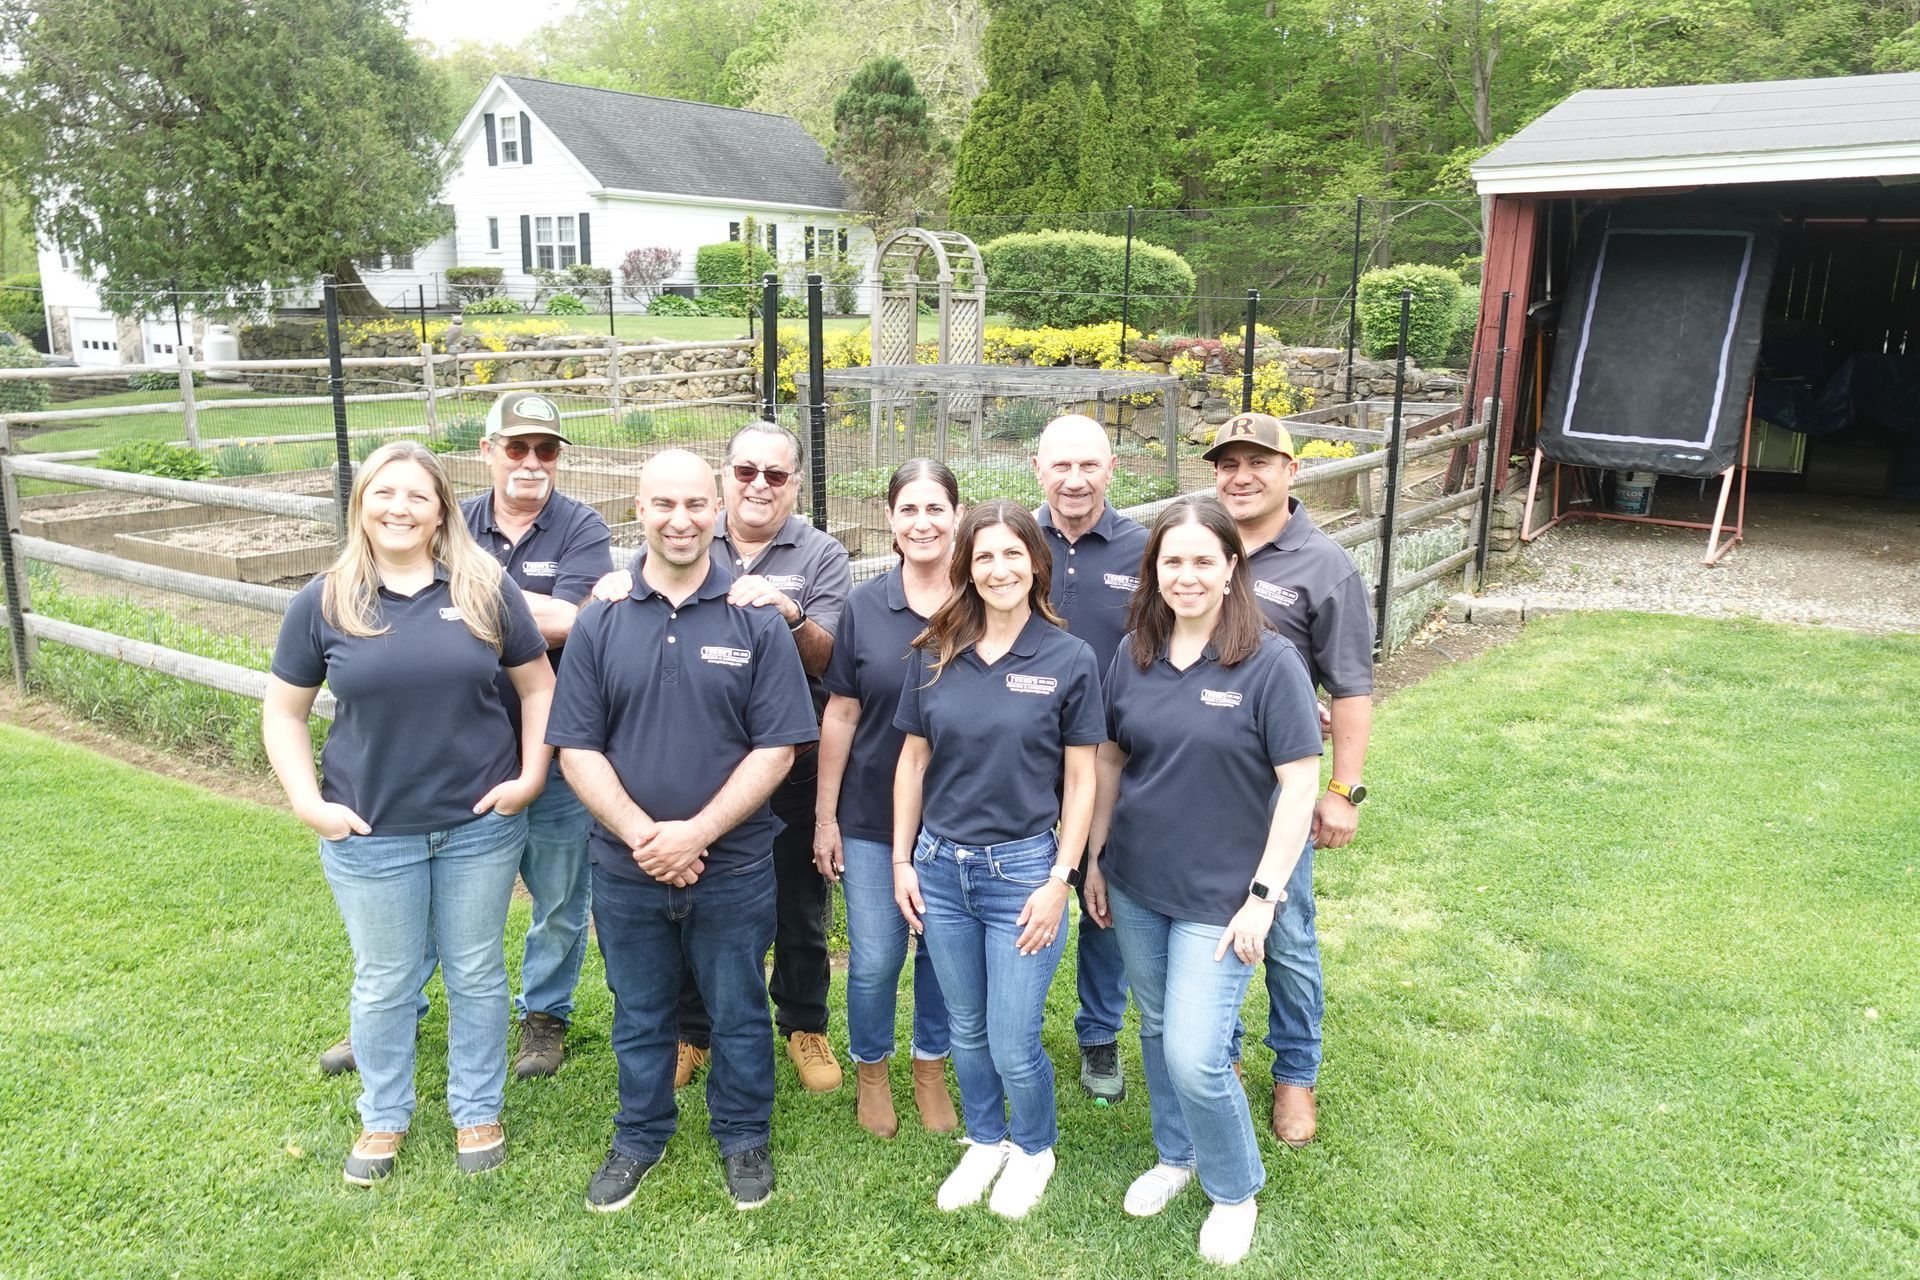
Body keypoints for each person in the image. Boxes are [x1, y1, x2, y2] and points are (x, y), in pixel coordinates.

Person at [262, 441, 554, 1186]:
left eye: (417, 496)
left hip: (479, 828)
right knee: (386, 979)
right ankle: (384, 1116)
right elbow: (284, 714)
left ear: (440, 513)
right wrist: (308, 803)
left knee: (477, 972)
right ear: (360, 506)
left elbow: (538, 688)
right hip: (371, 831)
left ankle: (476, 1109)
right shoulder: (324, 601)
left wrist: (528, 778)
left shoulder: (485, 590)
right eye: (383, 493)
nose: (399, 507)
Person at [313, 392, 611, 1081]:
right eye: (516, 447)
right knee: (418, 890)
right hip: (457, 756)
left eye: (545, 450)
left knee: (561, 894)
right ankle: (393, 1011)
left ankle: (544, 1015)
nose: (531, 462)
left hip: (553, 746)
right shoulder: (455, 517)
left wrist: (460, 589)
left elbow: (571, 621)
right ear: (488, 452)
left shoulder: (581, 526)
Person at [551, 449, 818, 1213]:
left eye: (697, 504)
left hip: (731, 866)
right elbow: (577, 746)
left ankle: (742, 1134)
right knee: (638, 1011)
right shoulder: (601, 617)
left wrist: (696, 833)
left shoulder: (755, 618)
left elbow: (778, 747)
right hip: (626, 865)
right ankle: (639, 1133)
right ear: (638, 509)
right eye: (664, 504)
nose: (681, 519)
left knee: (736, 1009)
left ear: (718, 511)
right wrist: (648, 837)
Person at [1088, 496, 1323, 1267]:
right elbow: (1113, 761)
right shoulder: (1135, 653)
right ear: (1153, 571)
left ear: (1230, 569)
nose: (1185, 576)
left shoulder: (1271, 663)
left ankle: (1233, 1188)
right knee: (1156, 1029)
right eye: (1171, 561)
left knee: (1195, 1051)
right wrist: (1094, 857)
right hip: (1137, 881)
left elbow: (1298, 784)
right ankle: (1176, 1154)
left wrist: (1263, 896)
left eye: (1201, 561)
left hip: (1223, 899)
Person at [594, 422, 852, 1095]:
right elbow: (646, 600)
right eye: (745, 471)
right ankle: (691, 1030)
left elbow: (832, 661)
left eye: (775, 474)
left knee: (799, 905)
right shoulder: (686, 535)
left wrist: (787, 614)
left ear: (795, 483)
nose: (759, 485)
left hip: (789, 762)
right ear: (722, 482)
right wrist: (610, 591)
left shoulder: (821, 555)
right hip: (700, 769)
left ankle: (803, 1020)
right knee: (689, 895)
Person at [892, 500, 1105, 1220]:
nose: (998, 568)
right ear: (967, 567)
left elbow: (1082, 778)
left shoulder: (1069, 659)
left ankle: (1033, 1147)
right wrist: (901, 861)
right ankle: (986, 1139)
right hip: (942, 870)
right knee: (965, 1026)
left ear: (1037, 565)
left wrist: (1059, 880)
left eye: (1013, 554)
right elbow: (912, 761)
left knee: (1014, 1037)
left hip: (1022, 871)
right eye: (984, 556)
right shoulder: (934, 651)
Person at [1208, 411, 1375, 1148]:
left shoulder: (1323, 564)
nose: (1241, 478)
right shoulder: (1199, 547)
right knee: (1211, 925)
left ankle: (1296, 1077)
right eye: (1227, 465)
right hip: (1202, 784)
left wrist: (1344, 792)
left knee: (1288, 934)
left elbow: (1352, 688)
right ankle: (1224, 1061)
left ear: (1290, 471)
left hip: (1283, 791)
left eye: (1258, 463)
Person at [813, 459, 961, 1139]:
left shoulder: (984, 597)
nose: (923, 523)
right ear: (890, 519)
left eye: (936, 509)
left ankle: (930, 1066)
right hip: (871, 816)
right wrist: (825, 817)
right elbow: (840, 712)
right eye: (910, 510)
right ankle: (872, 1068)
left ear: (956, 515)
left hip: (960, 817)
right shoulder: (865, 605)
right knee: (875, 956)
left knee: (941, 952)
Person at [1030, 413, 1150, 1105]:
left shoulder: (1143, 549)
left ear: (1112, 468)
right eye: (1061, 466)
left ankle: (1099, 1033)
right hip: (1022, 755)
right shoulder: (1016, 541)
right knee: (1023, 891)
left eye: (1089, 466)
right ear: (1037, 468)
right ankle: (1002, 1020)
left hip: (1115, 759)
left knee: (1102, 901)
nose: (1075, 480)